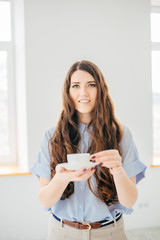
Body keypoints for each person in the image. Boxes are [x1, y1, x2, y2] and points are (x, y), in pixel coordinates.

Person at [31, 60, 147, 240]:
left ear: (100, 89)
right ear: (68, 92)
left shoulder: (121, 135)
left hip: (109, 233)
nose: (83, 93)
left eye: (91, 85)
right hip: (62, 232)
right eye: (76, 86)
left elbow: (129, 201)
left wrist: (117, 170)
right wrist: (62, 178)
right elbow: (45, 201)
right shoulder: (51, 137)